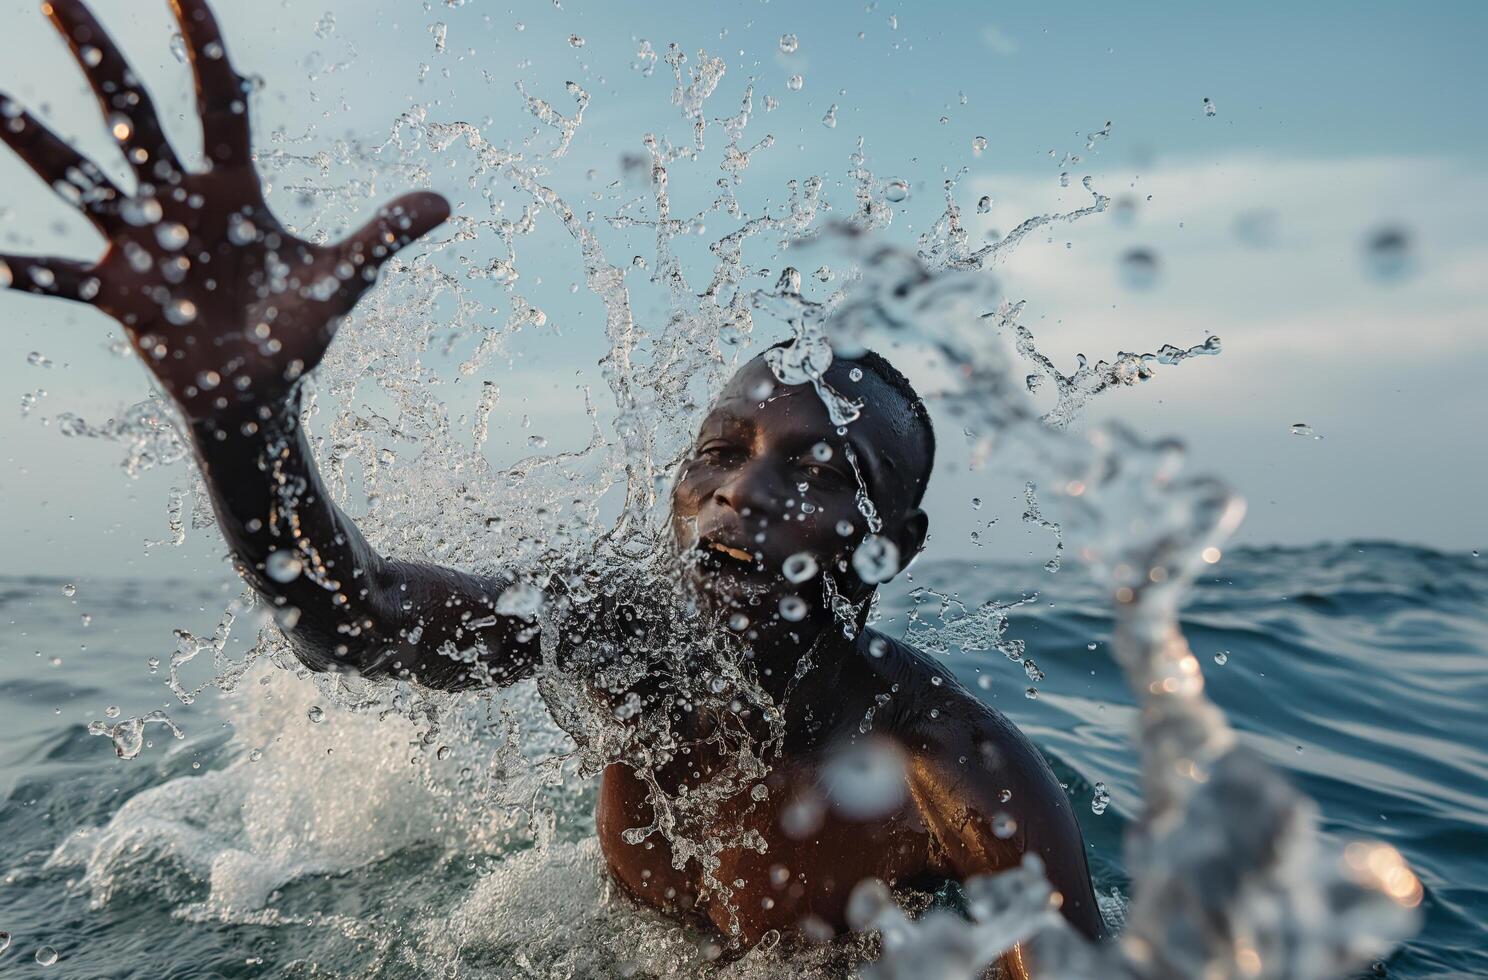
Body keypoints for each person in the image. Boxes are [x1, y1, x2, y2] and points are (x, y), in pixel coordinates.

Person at [0, 1, 1105, 974]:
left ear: (891, 541)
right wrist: (245, 423)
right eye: (717, 451)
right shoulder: (619, 633)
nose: (742, 491)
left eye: (818, 470)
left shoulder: (955, 773)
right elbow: (353, 621)